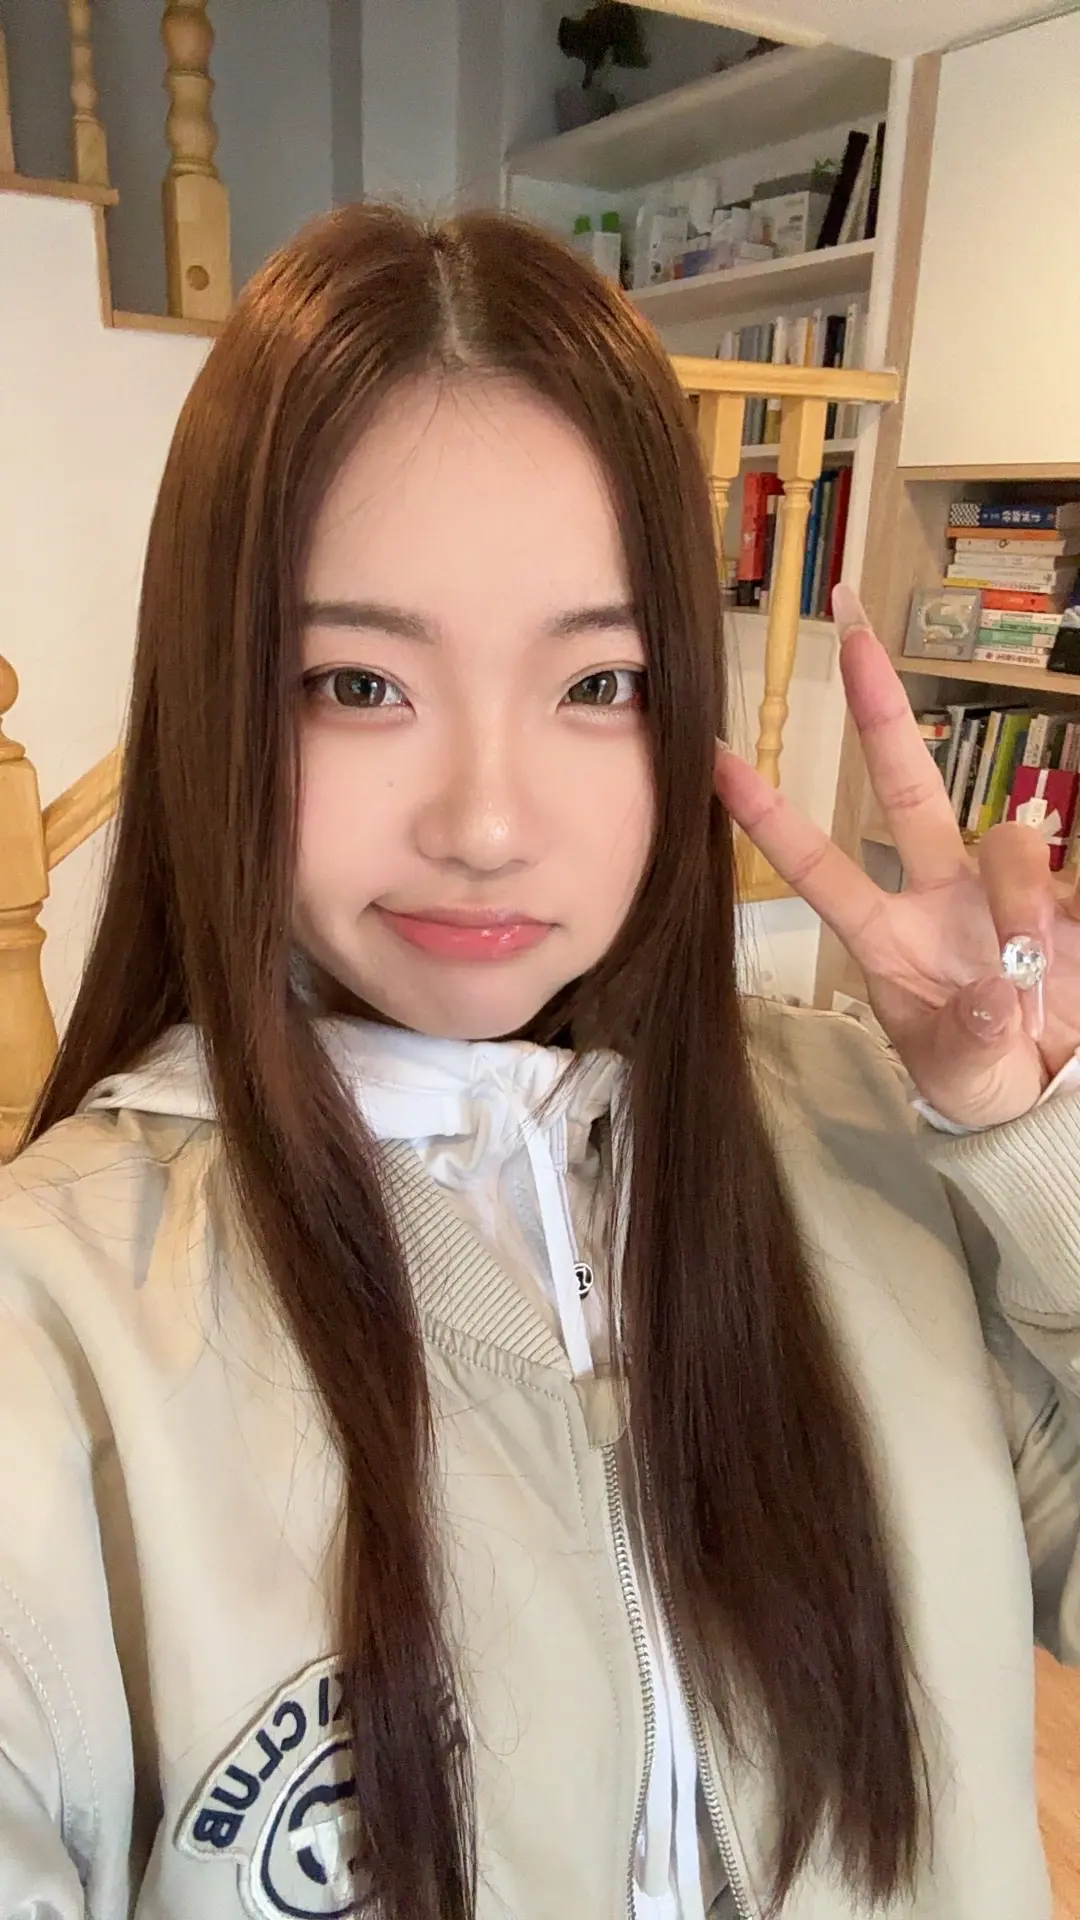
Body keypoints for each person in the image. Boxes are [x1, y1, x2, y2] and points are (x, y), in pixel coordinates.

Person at [1, 203, 1078, 1920]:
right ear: (217, 697)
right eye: (358, 683)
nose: (489, 823)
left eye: (600, 683)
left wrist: (1029, 1143)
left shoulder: (874, 1151)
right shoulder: (57, 1320)